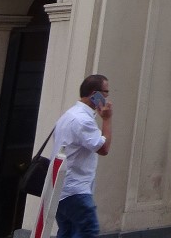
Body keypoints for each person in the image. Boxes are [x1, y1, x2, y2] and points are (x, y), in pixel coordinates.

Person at [52, 74, 113, 238]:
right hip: (76, 189)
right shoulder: (83, 120)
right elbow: (104, 148)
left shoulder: (68, 115)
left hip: (61, 189)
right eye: (105, 93)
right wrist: (107, 119)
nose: (107, 98)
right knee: (88, 231)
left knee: (67, 232)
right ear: (94, 94)